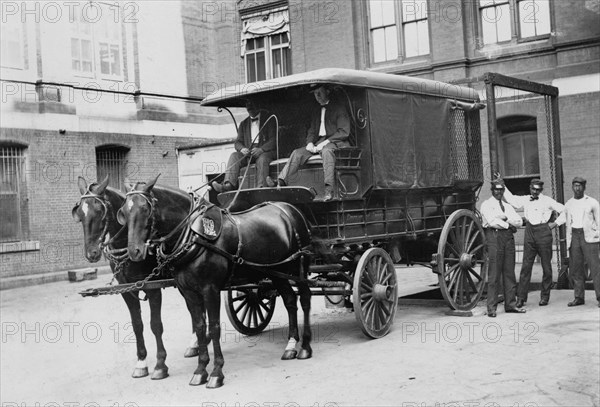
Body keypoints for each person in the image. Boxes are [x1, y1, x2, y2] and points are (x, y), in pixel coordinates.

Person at [266, 85, 350, 201]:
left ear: (327, 91)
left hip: (334, 142)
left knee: (327, 152)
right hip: (318, 142)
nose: (317, 96)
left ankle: (329, 190)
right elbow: (312, 130)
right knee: (297, 153)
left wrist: (325, 142)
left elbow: (344, 132)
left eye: (320, 92)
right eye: (315, 93)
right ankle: (280, 182)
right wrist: (309, 143)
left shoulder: (338, 108)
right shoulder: (316, 110)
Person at [503, 178, 565, 307]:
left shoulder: (547, 200)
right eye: (533, 189)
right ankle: (521, 298)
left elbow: (565, 210)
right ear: (530, 188)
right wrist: (503, 185)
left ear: (541, 190)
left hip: (544, 232)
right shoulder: (526, 199)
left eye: (538, 190)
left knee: (547, 267)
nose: (535, 192)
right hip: (530, 233)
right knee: (526, 267)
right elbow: (512, 200)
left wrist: (555, 224)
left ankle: (545, 296)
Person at [480, 180, 525, 317]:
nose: (499, 192)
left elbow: (518, 221)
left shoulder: (507, 205)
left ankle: (510, 305)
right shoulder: (486, 204)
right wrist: (508, 224)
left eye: (501, 190)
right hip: (494, 238)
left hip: (508, 239)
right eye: (496, 190)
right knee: (494, 274)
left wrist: (504, 219)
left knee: (509, 273)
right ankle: (491, 308)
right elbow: (492, 221)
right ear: (492, 190)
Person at [212, 99, 276, 192]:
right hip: (249, 154)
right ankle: (228, 185)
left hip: (265, 152)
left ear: (258, 104)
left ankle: (261, 188)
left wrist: (261, 149)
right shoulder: (243, 123)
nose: (250, 106)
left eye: (252, 103)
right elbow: (237, 142)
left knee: (262, 159)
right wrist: (242, 149)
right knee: (234, 156)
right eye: (247, 104)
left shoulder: (269, 119)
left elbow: (274, 140)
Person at [564, 176, 600, 308]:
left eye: (579, 186)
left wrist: (597, 236)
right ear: (572, 187)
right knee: (576, 269)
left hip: (589, 238)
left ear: (584, 187)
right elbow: (567, 222)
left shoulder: (592, 202)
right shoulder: (569, 204)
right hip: (575, 236)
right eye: (575, 186)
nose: (577, 188)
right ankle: (579, 297)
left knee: (595, 268)